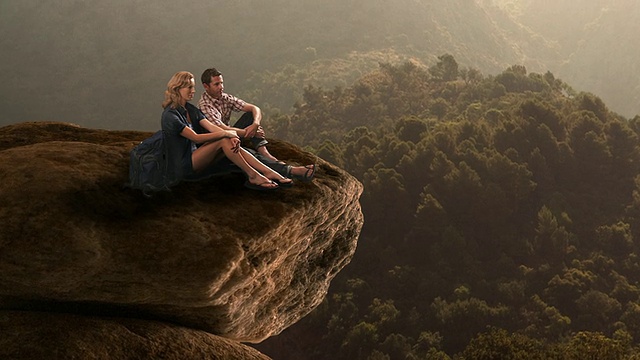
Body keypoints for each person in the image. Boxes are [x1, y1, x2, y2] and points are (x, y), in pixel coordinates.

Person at [161, 71, 293, 191]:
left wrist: (232, 136)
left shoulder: (190, 109)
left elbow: (212, 128)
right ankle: (253, 175)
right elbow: (196, 138)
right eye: (189, 87)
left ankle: (267, 171)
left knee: (227, 140)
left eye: (193, 87)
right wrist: (227, 134)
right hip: (182, 165)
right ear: (178, 89)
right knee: (223, 139)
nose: (193, 91)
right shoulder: (170, 115)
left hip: (195, 157)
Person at [198, 67, 315, 182]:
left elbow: (254, 108)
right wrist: (248, 133)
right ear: (206, 86)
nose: (221, 87)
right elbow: (221, 129)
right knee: (249, 154)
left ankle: (264, 151)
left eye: (222, 83)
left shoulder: (225, 98)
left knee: (250, 115)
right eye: (216, 84)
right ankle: (291, 170)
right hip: (216, 145)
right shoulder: (205, 105)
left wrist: (255, 124)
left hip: (231, 136)